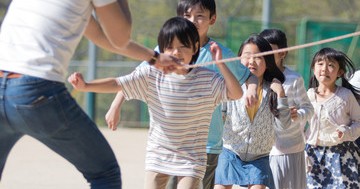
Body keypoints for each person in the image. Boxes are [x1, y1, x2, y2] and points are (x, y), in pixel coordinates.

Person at [0, 0, 180, 188]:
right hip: (34, 89)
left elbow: (102, 37)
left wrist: (154, 58)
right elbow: (121, 37)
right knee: (104, 173)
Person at [68, 17, 245, 189]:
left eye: (183, 46)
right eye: (170, 47)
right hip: (158, 157)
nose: (176, 52)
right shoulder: (151, 75)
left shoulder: (208, 79)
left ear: (195, 47)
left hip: (191, 160)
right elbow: (117, 83)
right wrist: (86, 86)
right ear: (160, 50)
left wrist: (220, 64)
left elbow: (236, 94)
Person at [105, 1, 258, 188]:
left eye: (199, 16)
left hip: (205, 144)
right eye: (187, 16)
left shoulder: (220, 53)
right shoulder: (165, 51)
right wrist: (115, 105)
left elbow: (248, 77)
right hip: (168, 146)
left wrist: (250, 89)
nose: (193, 21)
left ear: (212, 19)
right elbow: (136, 79)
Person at [214, 34, 292, 189]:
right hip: (230, 151)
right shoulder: (232, 86)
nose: (251, 61)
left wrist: (281, 95)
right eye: (247, 56)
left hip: (259, 156)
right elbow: (220, 115)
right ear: (239, 59)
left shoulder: (273, 90)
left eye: (258, 57)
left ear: (268, 63)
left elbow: (284, 126)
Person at [259, 29, 314, 189]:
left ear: (283, 53)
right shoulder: (255, 79)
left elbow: (308, 109)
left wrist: (298, 114)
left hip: (289, 149)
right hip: (262, 149)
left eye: (269, 49)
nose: (264, 54)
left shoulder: (294, 79)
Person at [305, 47, 360, 188]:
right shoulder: (308, 95)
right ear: (313, 67)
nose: (324, 69)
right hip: (312, 155)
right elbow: (298, 127)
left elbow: (359, 122)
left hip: (341, 155)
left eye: (331, 65)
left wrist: (346, 132)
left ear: (340, 72)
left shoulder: (346, 95)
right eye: (320, 64)